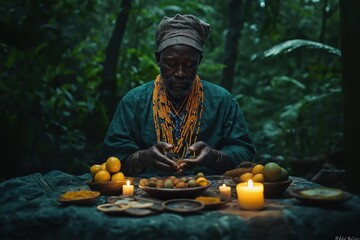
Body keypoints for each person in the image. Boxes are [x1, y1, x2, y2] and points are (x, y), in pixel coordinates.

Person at [103, 13, 255, 177]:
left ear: (199, 62)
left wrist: (216, 157)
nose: (180, 73)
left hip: (207, 190)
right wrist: (142, 158)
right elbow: (113, 153)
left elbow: (244, 150)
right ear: (158, 59)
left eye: (190, 65)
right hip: (146, 193)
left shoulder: (222, 101)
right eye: (171, 64)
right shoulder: (134, 101)